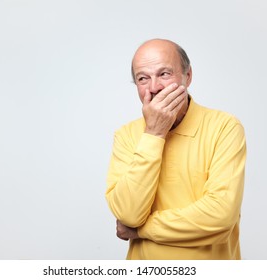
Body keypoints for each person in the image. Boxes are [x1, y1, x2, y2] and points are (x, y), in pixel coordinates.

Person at [105, 39, 247, 260]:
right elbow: (129, 215)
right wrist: (154, 133)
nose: (154, 88)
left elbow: (220, 216)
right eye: (143, 78)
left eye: (164, 74)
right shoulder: (126, 135)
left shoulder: (225, 127)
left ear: (187, 76)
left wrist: (142, 230)